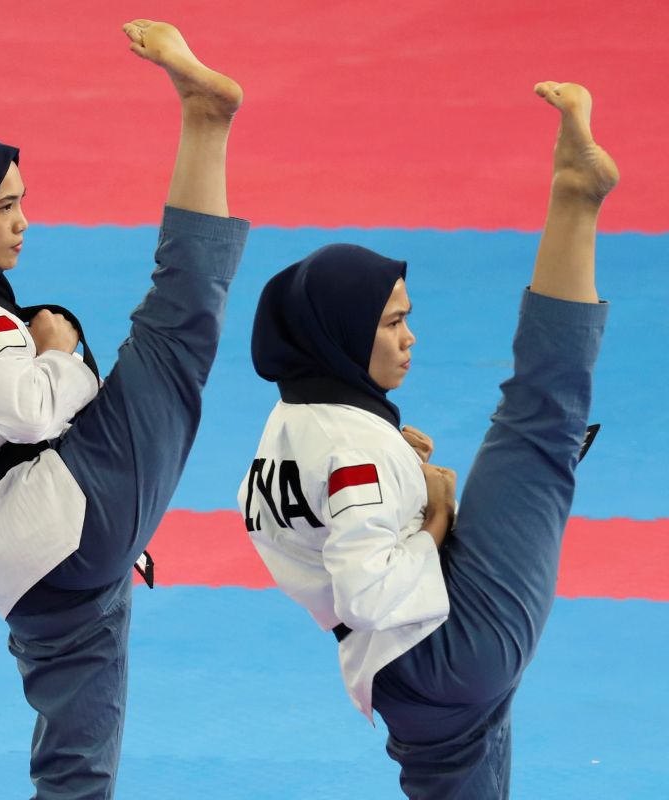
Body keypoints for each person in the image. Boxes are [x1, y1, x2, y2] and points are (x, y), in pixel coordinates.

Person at [0, 19, 248, 798]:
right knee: (177, 326)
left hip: (24, 565)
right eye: (4, 206)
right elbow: (28, 414)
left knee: (75, 759)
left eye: (22, 202)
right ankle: (207, 122)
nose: (22, 222)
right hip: (77, 510)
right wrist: (60, 350)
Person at [237, 81, 617, 797]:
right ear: (343, 335)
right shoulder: (353, 450)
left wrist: (403, 490)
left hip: (400, 680)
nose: (410, 340)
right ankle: (574, 195)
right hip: (446, 646)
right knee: (538, 418)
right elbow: (371, 590)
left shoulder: (288, 429)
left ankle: (574, 193)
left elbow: (320, 544)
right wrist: (434, 517)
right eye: (390, 324)